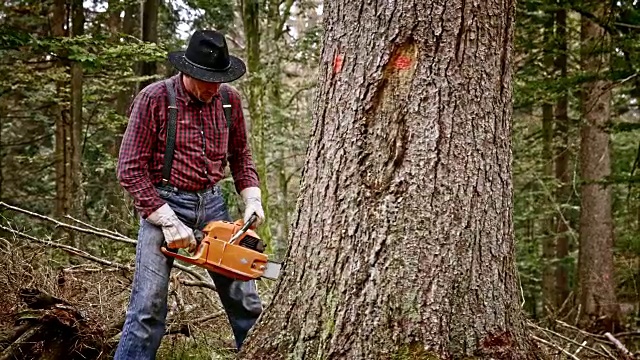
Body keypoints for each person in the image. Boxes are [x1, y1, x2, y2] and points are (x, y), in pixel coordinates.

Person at [114, 29, 265, 359]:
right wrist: (166, 219)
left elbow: (240, 154)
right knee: (148, 307)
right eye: (205, 79)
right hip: (164, 202)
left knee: (245, 300)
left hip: (212, 203)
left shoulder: (228, 100)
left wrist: (252, 197)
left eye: (218, 80)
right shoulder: (155, 99)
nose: (213, 88)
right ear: (187, 71)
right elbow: (129, 168)